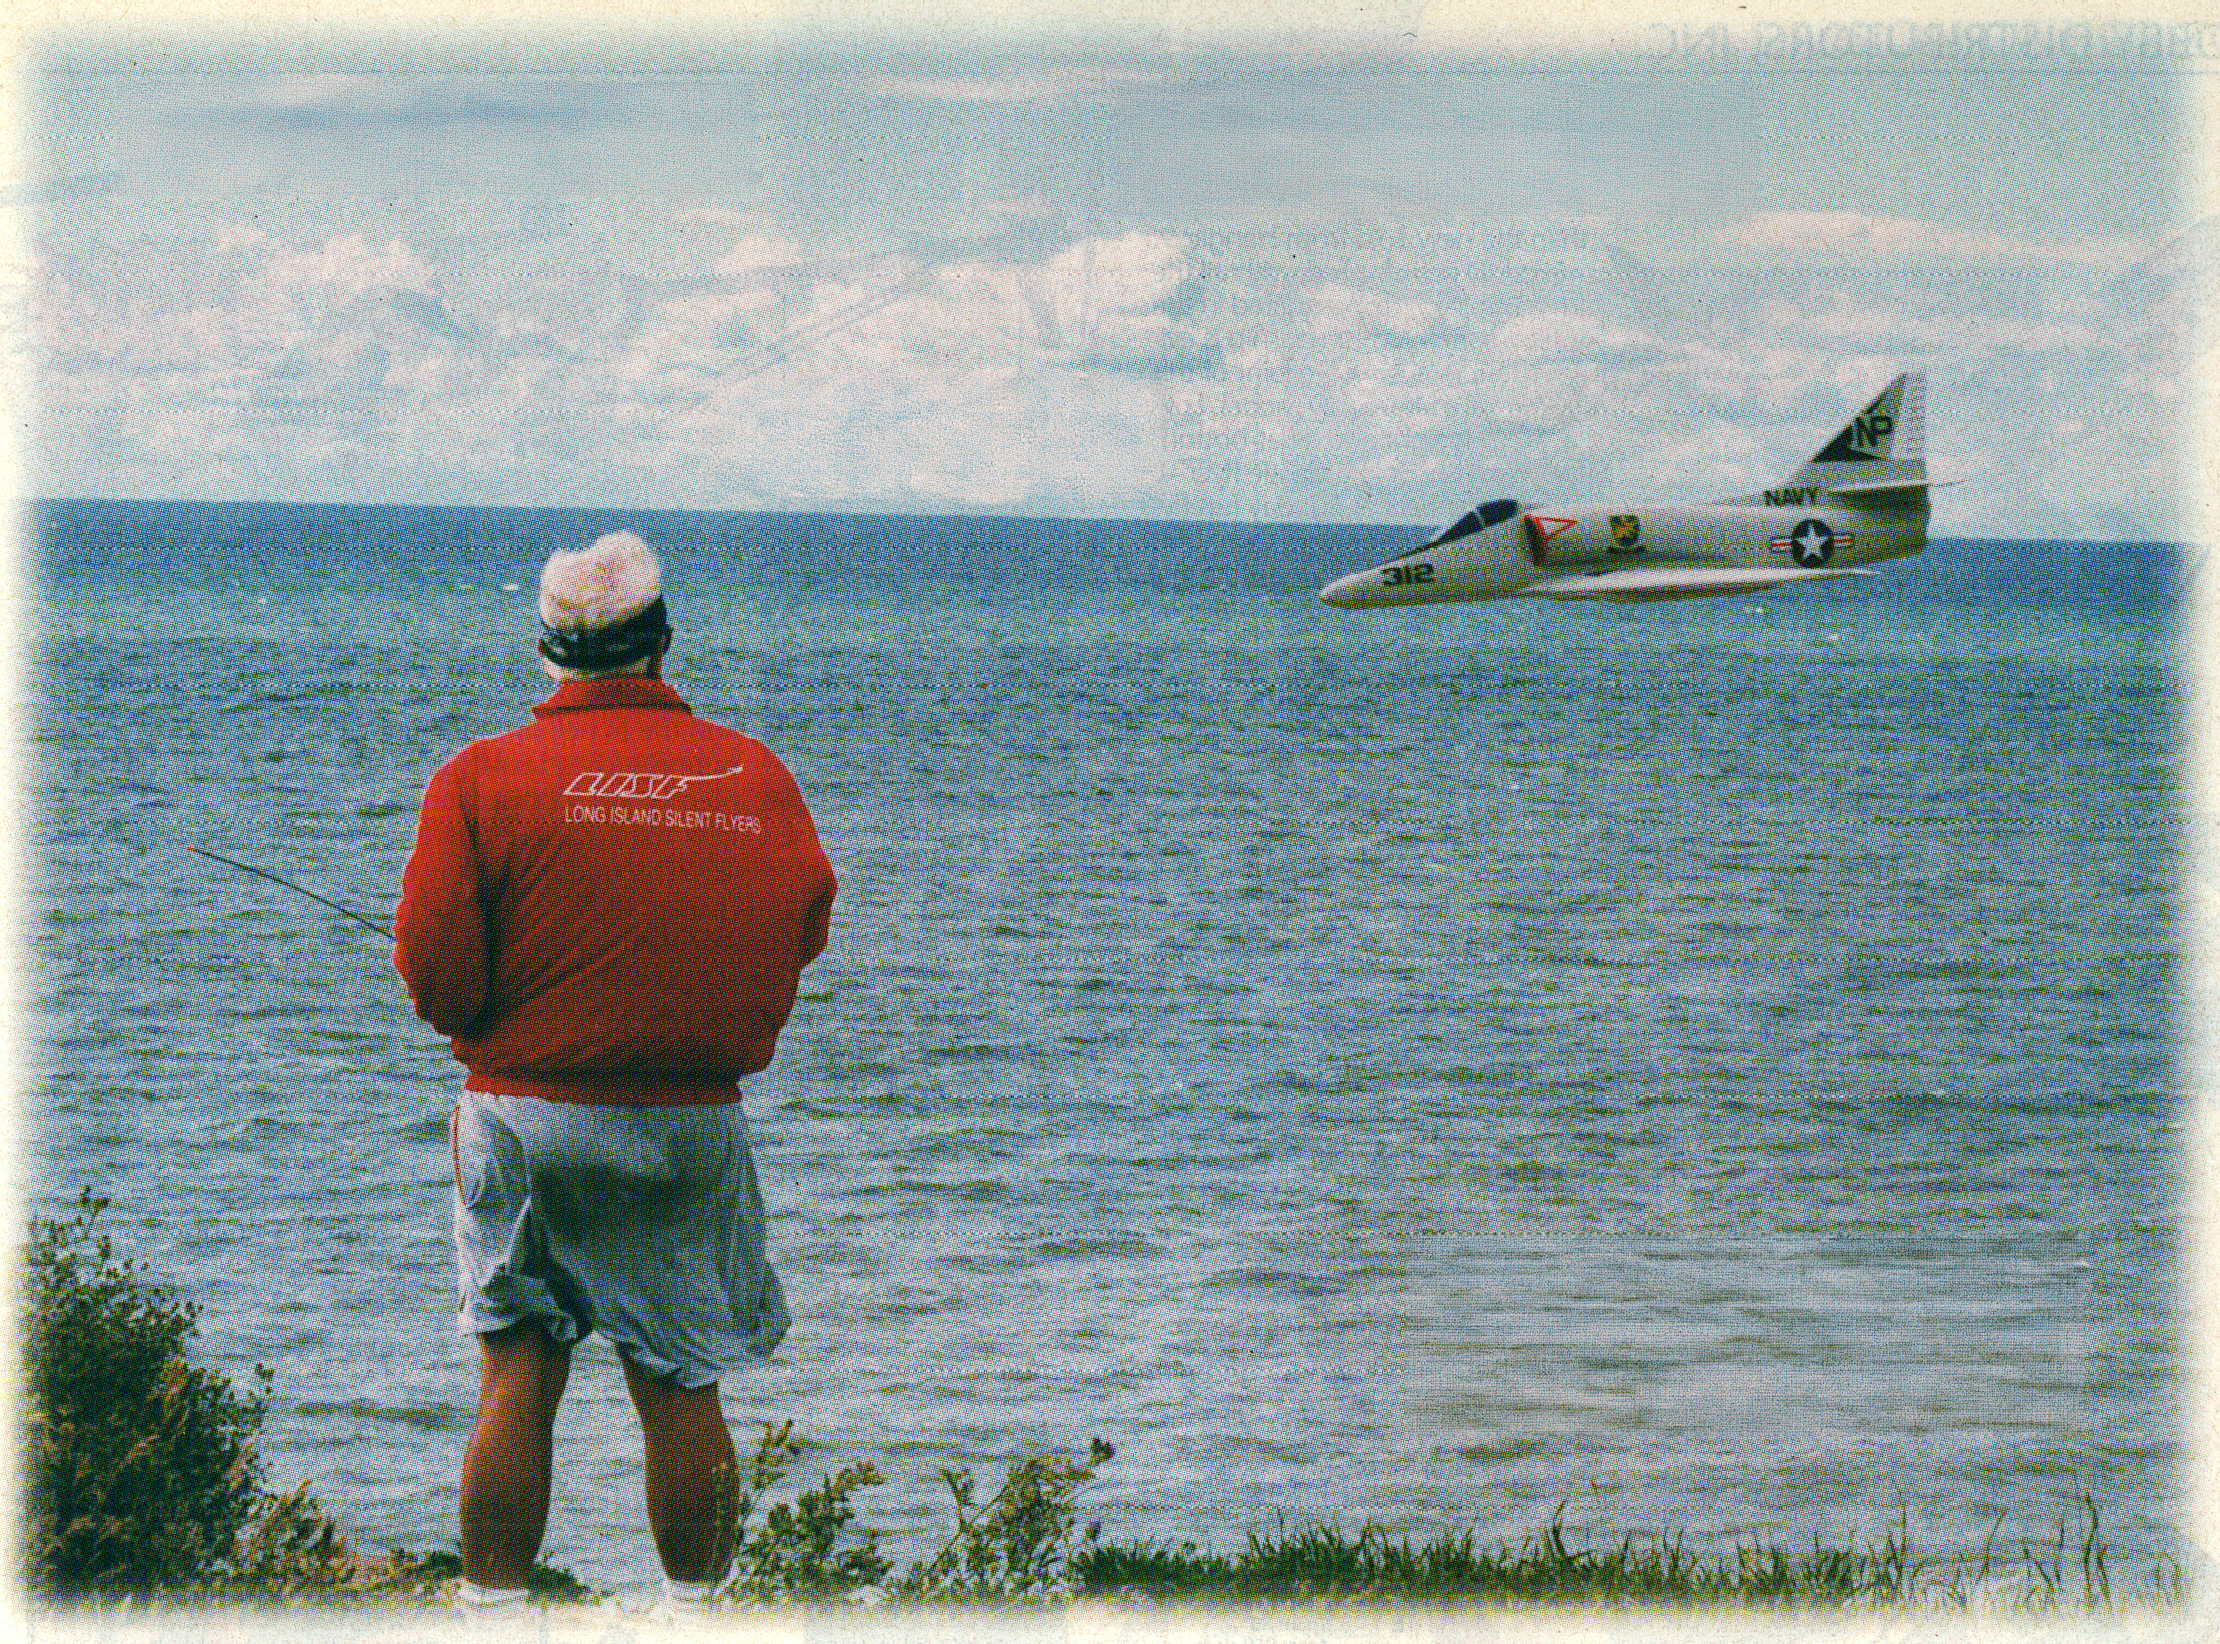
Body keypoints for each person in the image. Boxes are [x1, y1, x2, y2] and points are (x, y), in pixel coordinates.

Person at [394, 530, 836, 1620]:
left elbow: (434, 968)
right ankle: (697, 1619)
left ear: (546, 653)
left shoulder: (477, 777)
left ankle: (492, 1617)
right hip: (688, 1121)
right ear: (663, 646)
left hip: (525, 1113)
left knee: (516, 1375)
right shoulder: (754, 771)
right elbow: (804, 919)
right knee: (681, 1381)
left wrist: (483, 1024)